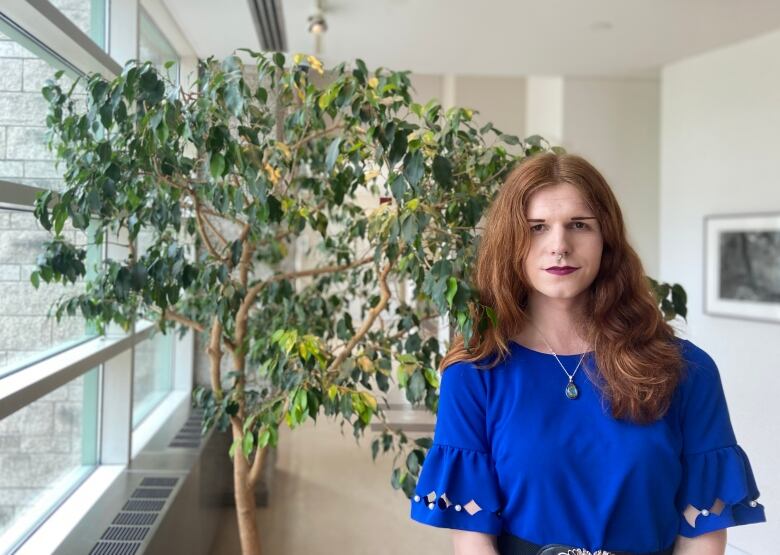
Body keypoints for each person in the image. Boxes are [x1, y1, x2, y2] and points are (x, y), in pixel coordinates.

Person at [408, 153, 766, 555]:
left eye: (579, 225)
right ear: (511, 242)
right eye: (537, 228)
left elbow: (703, 524)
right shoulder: (475, 372)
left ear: (606, 239)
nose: (559, 245)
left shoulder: (687, 370)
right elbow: (473, 537)